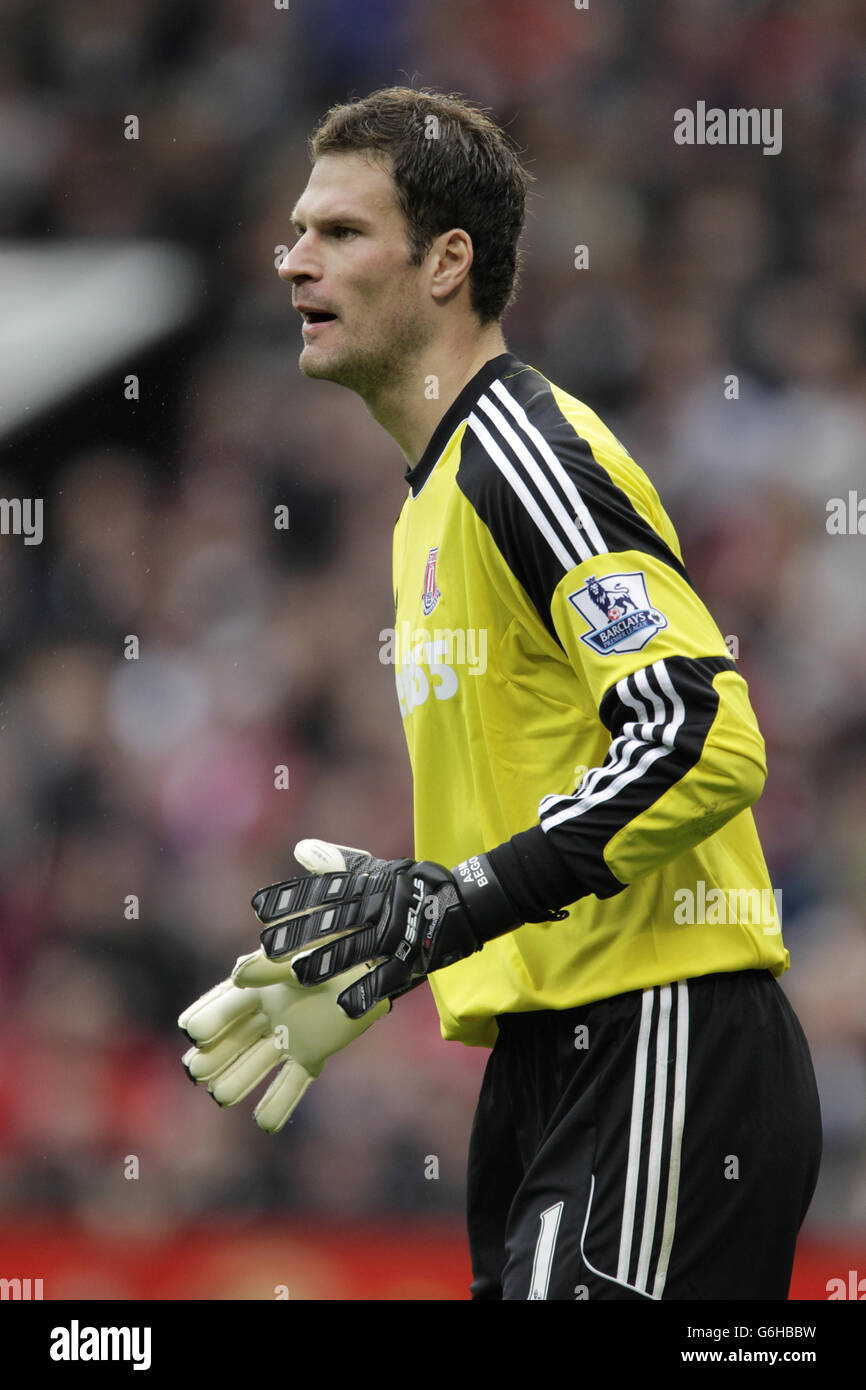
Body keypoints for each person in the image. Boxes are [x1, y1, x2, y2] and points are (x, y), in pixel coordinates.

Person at [179, 86, 821, 1301]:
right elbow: (546, 789)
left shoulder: (524, 453)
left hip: (659, 1035)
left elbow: (700, 731)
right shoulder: (427, 499)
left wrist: (456, 902)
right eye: (295, 231)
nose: (294, 259)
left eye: (340, 232)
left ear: (446, 263)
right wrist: (395, 949)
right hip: (551, 1062)